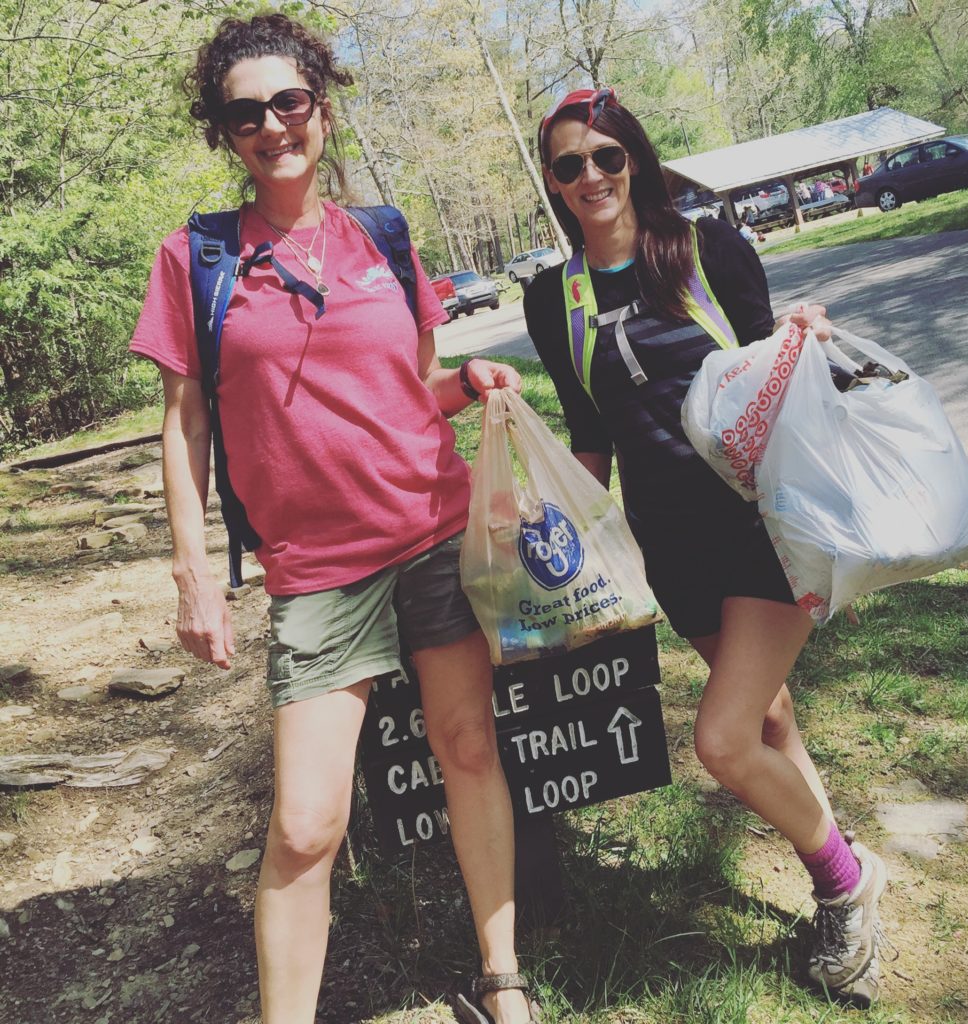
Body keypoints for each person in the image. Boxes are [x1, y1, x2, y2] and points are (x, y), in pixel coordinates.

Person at [129, 14, 538, 1024]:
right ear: (222, 131)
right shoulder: (197, 258)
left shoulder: (383, 233)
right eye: (244, 112)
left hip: (434, 532)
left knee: (469, 748)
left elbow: (411, 386)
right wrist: (194, 576)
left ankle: (501, 979)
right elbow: (185, 433)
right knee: (307, 824)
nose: (272, 125)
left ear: (321, 101)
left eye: (289, 101)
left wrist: (466, 382)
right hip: (314, 569)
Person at [523, 87, 889, 1007]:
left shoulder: (703, 249)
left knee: (723, 740)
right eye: (570, 165)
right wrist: (554, 516)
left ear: (635, 160)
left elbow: (771, 373)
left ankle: (850, 881)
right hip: (669, 544)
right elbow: (589, 430)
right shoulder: (551, 297)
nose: (592, 176)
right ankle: (839, 895)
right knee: (769, 722)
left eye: (607, 156)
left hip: (760, 527)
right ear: (556, 185)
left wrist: (802, 337)